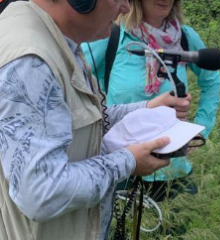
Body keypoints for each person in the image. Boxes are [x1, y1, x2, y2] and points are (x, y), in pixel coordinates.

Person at [0, 0, 192, 239]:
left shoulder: (56, 39)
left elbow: (73, 122)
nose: (126, 8)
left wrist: (146, 108)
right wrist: (129, 162)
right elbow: (41, 193)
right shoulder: (32, 62)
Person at [81, 0, 220, 201]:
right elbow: (77, 85)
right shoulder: (112, 36)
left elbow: (212, 82)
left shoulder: (184, 37)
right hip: (123, 166)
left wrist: (200, 129)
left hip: (173, 168)